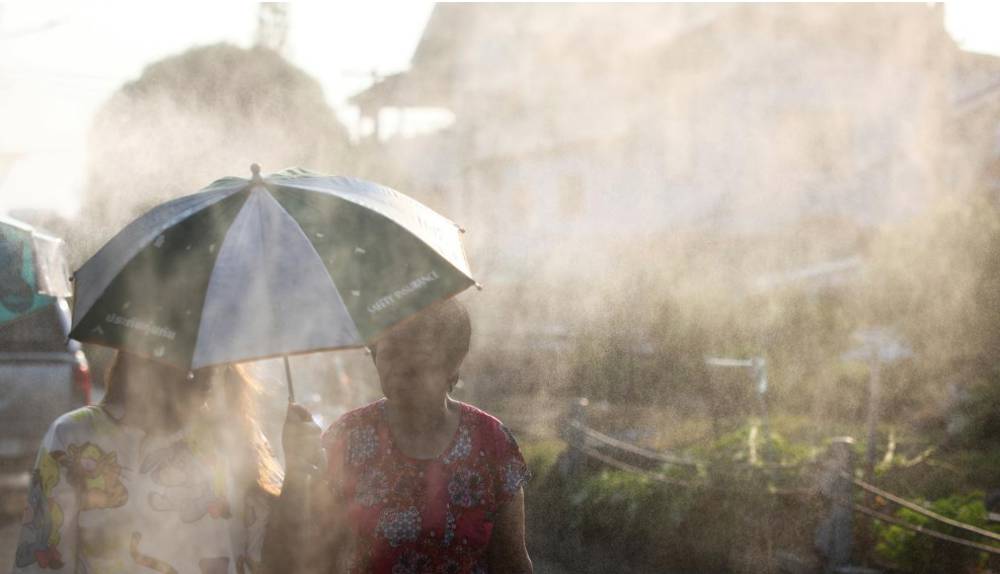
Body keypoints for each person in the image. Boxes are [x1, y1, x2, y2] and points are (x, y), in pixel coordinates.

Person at [11, 352, 283, 574]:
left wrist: (299, 482)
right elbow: (42, 561)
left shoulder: (236, 437)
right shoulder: (74, 437)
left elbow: (269, 554)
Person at [317, 299, 533, 574]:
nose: (401, 367)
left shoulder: (492, 442)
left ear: (452, 363)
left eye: (418, 353)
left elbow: (512, 562)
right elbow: (318, 554)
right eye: (390, 351)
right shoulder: (346, 438)